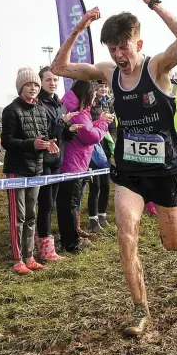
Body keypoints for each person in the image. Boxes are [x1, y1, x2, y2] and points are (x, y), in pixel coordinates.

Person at [51, 0, 177, 336]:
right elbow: (59, 66)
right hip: (129, 171)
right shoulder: (108, 73)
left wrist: (152, 2)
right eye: (112, 48)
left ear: (138, 44)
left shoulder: (158, 68)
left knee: (174, 244)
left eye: (123, 46)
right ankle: (140, 311)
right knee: (126, 235)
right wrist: (79, 26)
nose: (118, 54)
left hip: (164, 170)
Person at [1, 67, 59, 275]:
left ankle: (30, 256)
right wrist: (31, 144)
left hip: (36, 169)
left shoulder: (41, 110)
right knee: (18, 216)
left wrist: (48, 144)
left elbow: (42, 136)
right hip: (17, 170)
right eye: (29, 84)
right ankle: (17, 259)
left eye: (35, 84)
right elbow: (6, 141)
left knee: (32, 215)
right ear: (20, 87)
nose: (33, 88)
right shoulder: (11, 110)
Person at [57, 80, 114, 252]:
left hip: (73, 161)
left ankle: (71, 237)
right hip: (74, 163)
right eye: (94, 94)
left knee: (68, 203)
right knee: (71, 204)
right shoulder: (79, 112)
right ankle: (71, 242)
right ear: (88, 94)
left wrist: (99, 121)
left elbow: (85, 129)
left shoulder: (74, 107)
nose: (95, 97)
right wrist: (104, 123)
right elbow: (91, 136)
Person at [35, 67, 80, 260]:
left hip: (58, 159)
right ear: (41, 82)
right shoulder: (39, 104)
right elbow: (46, 132)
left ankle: (51, 244)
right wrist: (62, 122)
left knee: (52, 204)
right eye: (48, 80)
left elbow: (62, 133)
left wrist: (71, 129)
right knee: (45, 205)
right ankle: (45, 249)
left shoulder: (59, 103)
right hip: (45, 160)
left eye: (55, 80)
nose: (52, 83)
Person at [87, 80, 116, 233]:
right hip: (93, 147)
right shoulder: (90, 102)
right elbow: (88, 125)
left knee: (105, 185)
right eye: (100, 86)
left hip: (106, 145)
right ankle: (93, 220)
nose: (104, 89)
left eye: (105, 86)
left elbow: (112, 127)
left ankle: (102, 216)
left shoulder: (109, 102)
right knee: (95, 186)